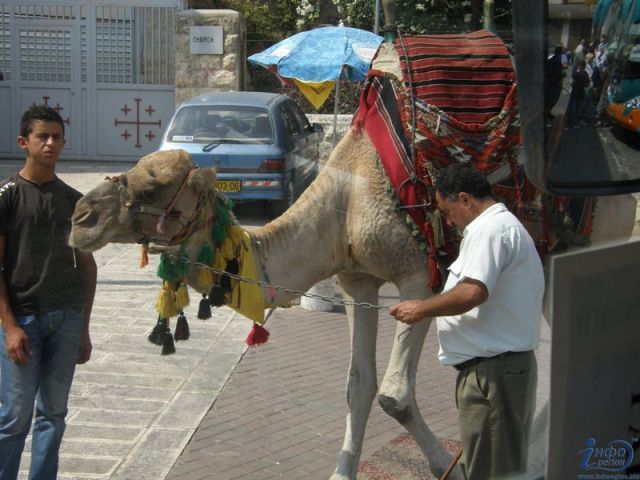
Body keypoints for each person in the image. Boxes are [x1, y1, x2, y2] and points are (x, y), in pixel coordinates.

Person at [390, 164, 544, 480]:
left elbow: (472, 292)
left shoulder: (490, 230)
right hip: (494, 374)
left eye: (447, 212)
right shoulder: (498, 227)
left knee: (493, 473)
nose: (448, 221)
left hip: (493, 376)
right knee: (492, 467)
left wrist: (422, 308)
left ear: (465, 199)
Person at [0, 105, 97, 480]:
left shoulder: (74, 201)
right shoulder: (8, 196)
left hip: (65, 318)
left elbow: (87, 265)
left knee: (53, 416)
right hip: (23, 319)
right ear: (24, 142)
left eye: (57, 136)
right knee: (13, 418)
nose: (51, 143)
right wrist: (10, 326)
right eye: (43, 136)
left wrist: (83, 328)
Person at [566, 60, 591, 129]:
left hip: (575, 93)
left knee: (572, 110)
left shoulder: (576, 74)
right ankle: (576, 124)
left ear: (580, 66)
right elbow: (587, 85)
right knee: (578, 110)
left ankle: (570, 126)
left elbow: (572, 84)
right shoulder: (586, 74)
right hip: (581, 93)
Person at [545, 45, 566, 122]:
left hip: (549, 82)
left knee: (549, 99)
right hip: (554, 83)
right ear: (560, 52)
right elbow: (557, 74)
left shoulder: (551, 59)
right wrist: (563, 74)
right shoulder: (557, 60)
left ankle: (547, 112)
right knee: (553, 99)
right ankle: (547, 112)